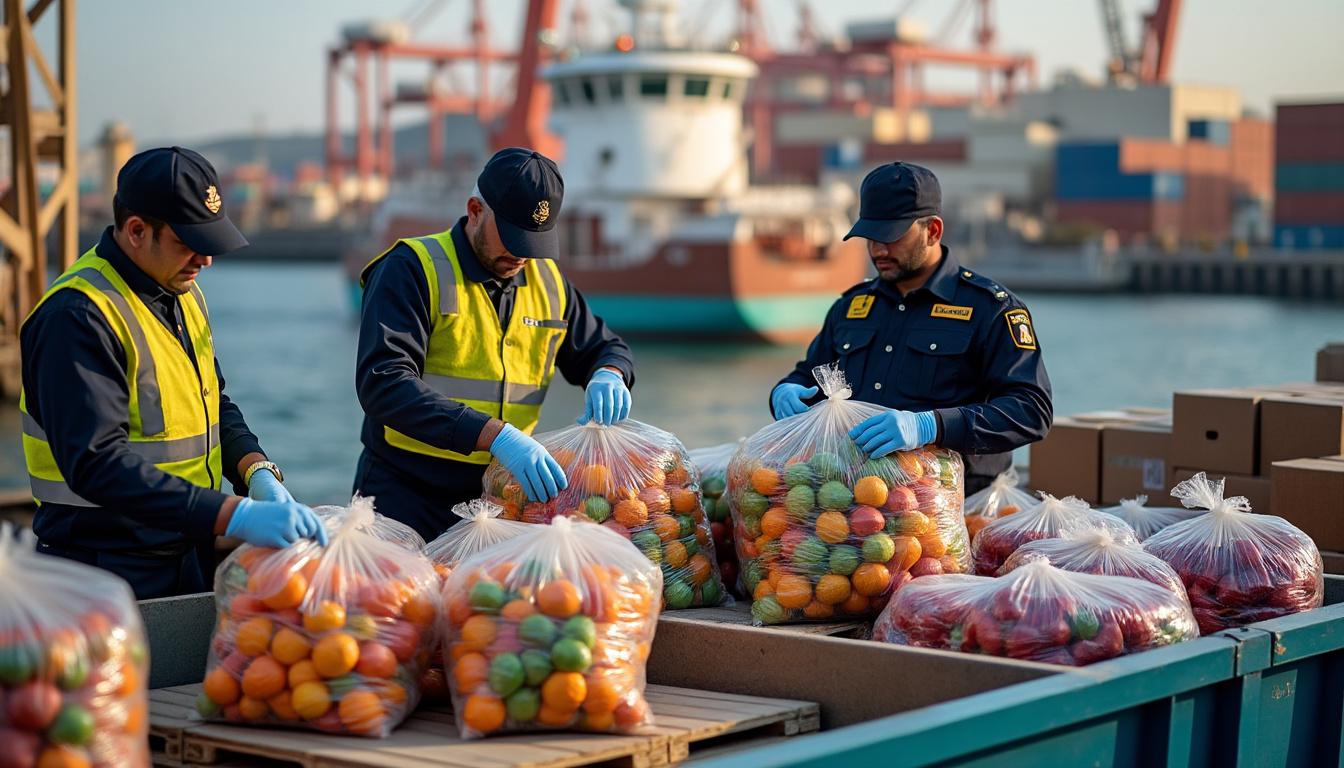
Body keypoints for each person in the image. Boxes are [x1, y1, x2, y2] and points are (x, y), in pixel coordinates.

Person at [20, 146, 326, 599]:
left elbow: (213, 402)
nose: (205, 261)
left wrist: (256, 471)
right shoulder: (78, 316)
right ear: (137, 231)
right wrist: (233, 516)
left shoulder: (181, 292)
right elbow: (97, 463)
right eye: (190, 243)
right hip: (103, 568)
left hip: (186, 552)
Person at [354, 148, 635, 540]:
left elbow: (605, 347)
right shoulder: (411, 269)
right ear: (475, 210)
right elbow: (383, 383)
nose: (521, 255)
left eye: (533, 242)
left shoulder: (549, 283)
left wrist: (609, 373)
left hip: (502, 502)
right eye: (512, 238)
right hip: (404, 496)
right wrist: (496, 436)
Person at [769, 161, 1052, 493]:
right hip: (857, 501)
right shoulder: (851, 308)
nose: (878, 250)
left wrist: (932, 426)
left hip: (955, 507)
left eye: (891, 237)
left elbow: (1032, 411)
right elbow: (811, 379)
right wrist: (784, 392)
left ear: (932, 231)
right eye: (870, 236)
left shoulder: (990, 309)